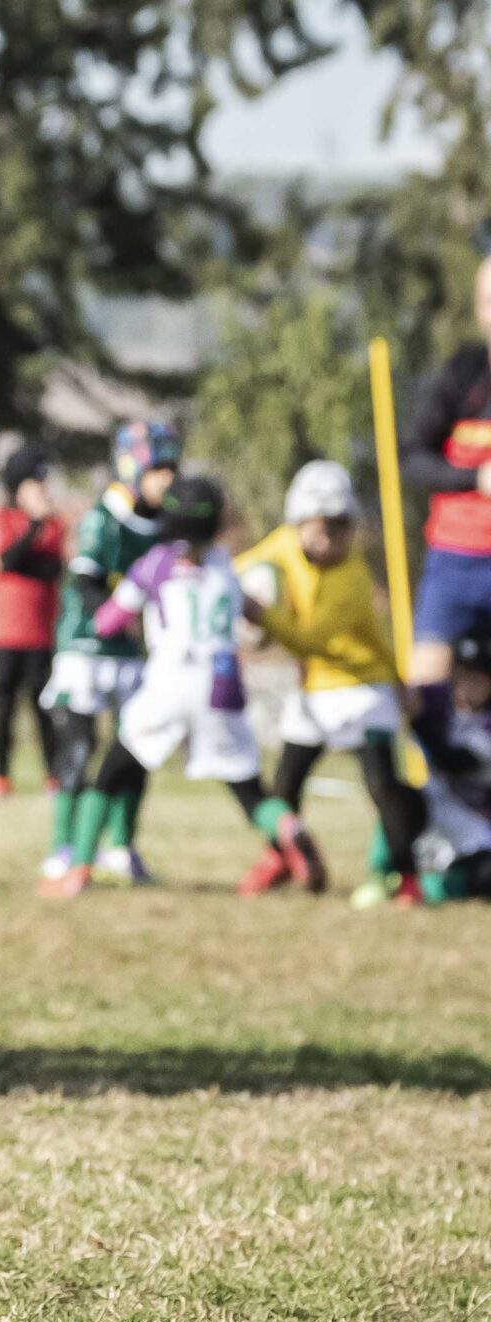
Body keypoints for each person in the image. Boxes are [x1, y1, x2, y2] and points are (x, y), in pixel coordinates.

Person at [44, 478, 323, 897]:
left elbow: (107, 621)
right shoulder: (224, 565)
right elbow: (251, 611)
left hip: (171, 682)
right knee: (247, 788)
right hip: (222, 683)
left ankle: (77, 870)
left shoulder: (157, 563)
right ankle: (288, 826)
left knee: (111, 772)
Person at [236, 460, 426, 906]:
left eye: (340, 528)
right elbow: (243, 568)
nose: (329, 538)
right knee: (285, 784)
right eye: (320, 528)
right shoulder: (282, 546)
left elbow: (312, 640)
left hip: (363, 690)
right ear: (298, 523)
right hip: (314, 694)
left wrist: (263, 616)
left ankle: (406, 876)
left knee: (382, 785)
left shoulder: (353, 580)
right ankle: (280, 857)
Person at [43, 421, 178, 889]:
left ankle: (122, 845)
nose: (169, 480)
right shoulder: (102, 518)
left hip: (130, 655)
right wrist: (117, 615)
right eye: (160, 469)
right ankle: (63, 847)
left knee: (135, 750)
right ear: (132, 466)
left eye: (172, 470)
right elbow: (87, 583)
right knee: (79, 748)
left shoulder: (163, 526)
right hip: (85, 649)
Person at [402, 255, 491, 695]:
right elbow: (413, 458)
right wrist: (477, 479)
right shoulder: (462, 375)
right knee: (425, 688)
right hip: (455, 560)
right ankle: (442, 765)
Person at [0, 447, 66, 797]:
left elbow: (52, 569)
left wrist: (18, 558)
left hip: (40, 633)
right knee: (3, 709)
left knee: (44, 708)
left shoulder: (54, 524)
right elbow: (6, 561)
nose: (42, 490)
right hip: (1, 632)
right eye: (34, 482)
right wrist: (33, 531)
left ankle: (53, 775)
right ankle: (0, 776)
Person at [409, 619, 491, 903]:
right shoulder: (440, 700)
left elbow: (453, 761)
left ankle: (442, 888)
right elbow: (408, 696)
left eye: (478, 679)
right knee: (395, 797)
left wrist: (418, 722)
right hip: (431, 815)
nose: (468, 685)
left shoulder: (487, 725)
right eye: (463, 675)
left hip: (475, 829)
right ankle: (386, 874)